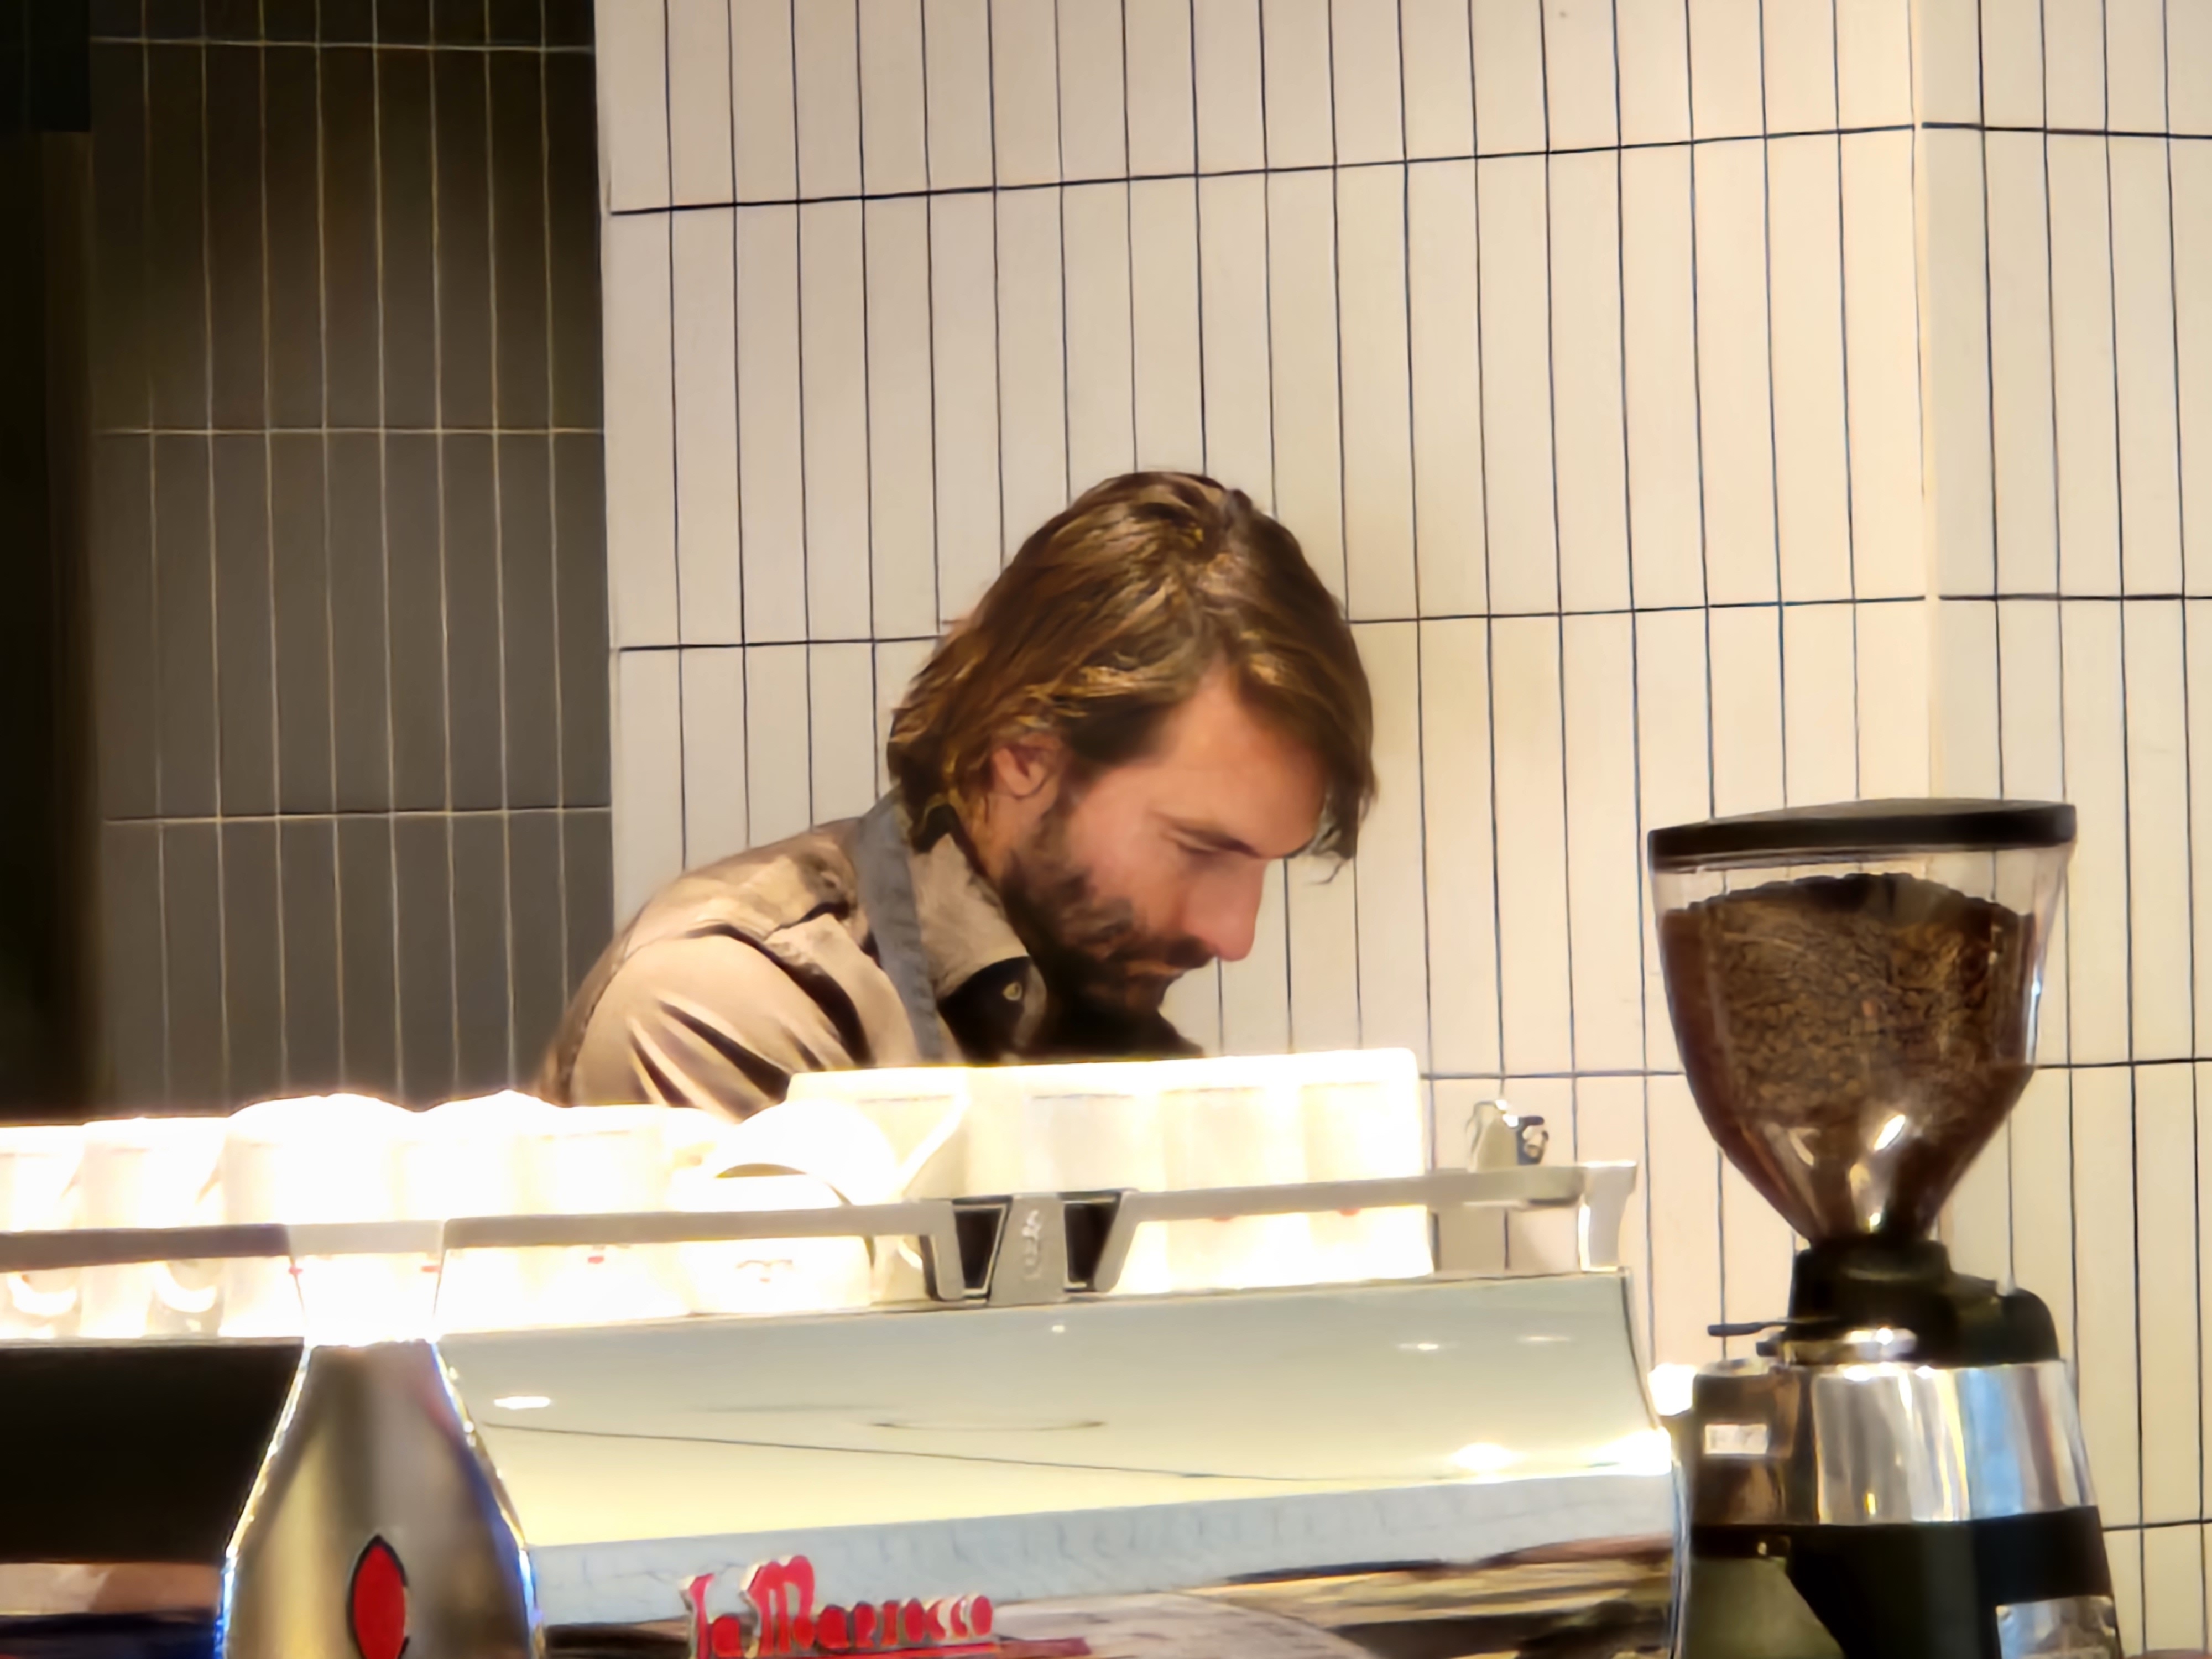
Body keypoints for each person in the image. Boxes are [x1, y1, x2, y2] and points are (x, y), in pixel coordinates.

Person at [538, 472, 1376, 1116]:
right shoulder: (719, 1009)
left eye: (1266, 864)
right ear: (1023, 753)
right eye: (1199, 850)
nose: (1234, 934)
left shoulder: (1083, 1005)